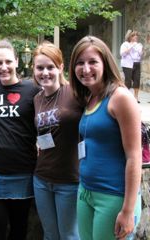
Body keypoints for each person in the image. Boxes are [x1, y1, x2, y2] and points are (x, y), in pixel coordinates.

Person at [69, 35, 142, 240]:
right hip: (86, 192)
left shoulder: (120, 98)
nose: (86, 69)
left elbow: (134, 158)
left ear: (106, 64)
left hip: (113, 197)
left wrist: (128, 211)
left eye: (93, 62)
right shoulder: (90, 97)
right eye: (80, 63)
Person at [0, 39, 39, 240]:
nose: (3, 67)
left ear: (16, 61)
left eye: (8, 61)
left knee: (18, 229)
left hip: (22, 169)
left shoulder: (33, 90)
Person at [32, 41, 82, 240]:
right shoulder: (37, 99)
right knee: (50, 235)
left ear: (61, 67)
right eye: (40, 68)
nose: (45, 72)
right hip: (42, 178)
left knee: (70, 235)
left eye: (50, 67)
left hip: (70, 180)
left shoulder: (76, 93)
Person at [120, 30, 143, 102]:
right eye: (133, 35)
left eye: (136, 35)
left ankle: (136, 97)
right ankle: (126, 97)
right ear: (129, 37)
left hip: (136, 63)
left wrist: (141, 52)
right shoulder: (125, 44)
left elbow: (141, 55)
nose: (135, 36)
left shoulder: (139, 45)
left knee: (137, 80)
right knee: (128, 81)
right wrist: (131, 47)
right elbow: (122, 54)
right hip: (127, 64)